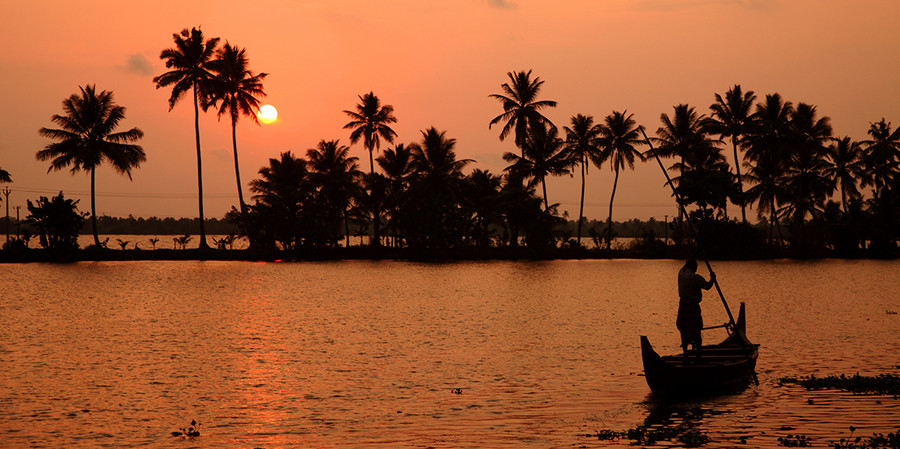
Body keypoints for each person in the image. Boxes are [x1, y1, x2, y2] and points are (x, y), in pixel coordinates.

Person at [676, 258, 715, 354]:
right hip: (693, 306)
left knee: (683, 331)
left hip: (683, 305)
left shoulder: (681, 274)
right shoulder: (696, 278)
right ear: (693, 267)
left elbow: (684, 266)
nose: (697, 269)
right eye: (696, 267)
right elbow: (707, 286)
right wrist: (713, 278)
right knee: (697, 330)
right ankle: (698, 356)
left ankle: (686, 356)